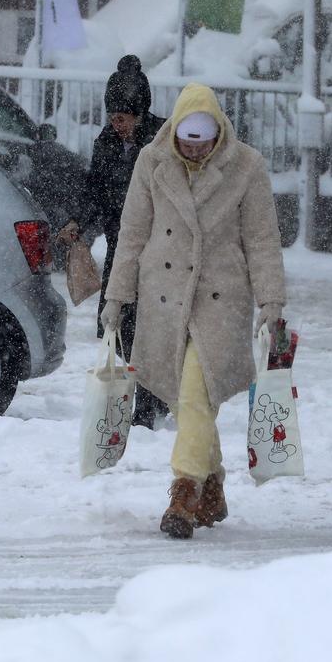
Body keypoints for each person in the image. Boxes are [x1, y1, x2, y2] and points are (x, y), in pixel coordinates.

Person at [102, 82, 286, 539]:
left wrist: (271, 301)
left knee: (195, 391)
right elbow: (133, 233)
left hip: (221, 296)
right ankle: (214, 486)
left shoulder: (246, 166)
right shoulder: (152, 161)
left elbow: (262, 239)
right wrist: (116, 297)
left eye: (203, 143)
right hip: (164, 294)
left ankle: (184, 492)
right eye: (188, 142)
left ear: (218, 134)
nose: (195, 150)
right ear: (175, 133)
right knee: (187, 401)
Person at [58, 55, 167, 427]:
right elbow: (95, 188)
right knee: (115, 325)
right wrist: (78, 221)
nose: (116, 125)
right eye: (112, 117)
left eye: (122, 118)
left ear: (139, 115)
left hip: (158, 251)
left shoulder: (162, 141)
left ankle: (150, 404)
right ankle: (155, 393)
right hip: (121, 248)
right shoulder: (106, 141)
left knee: (147, 328)